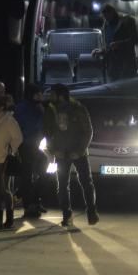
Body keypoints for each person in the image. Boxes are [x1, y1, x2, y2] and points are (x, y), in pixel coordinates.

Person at [44, 84, 98, 228]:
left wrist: (79, 151)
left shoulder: (78, 108)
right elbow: (47, 132)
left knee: (86, 182)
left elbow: (88, 131)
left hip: (78, 153)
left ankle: (91, 211)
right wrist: (53, 150)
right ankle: (67, 215)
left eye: (52, 94)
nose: (50, 97)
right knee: (62, 185)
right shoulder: (51, 109)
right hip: (61, 153)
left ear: (60, 95)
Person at [0, 95, 23, 230]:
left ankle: (9, 218)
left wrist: (10, 150)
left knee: (5, 189)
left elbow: (18, 137)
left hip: (4, 160)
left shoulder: (9, 120)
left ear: (1, 107)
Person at [14, 84, 47, 218]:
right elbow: (25, 125)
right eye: (38, 94)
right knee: (27, 175)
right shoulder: (23, 108)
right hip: (26, 145)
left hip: (35, 144)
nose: (41, 96)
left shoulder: (39, 107)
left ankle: (33, 199)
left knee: (43, 168)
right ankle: (29, 205)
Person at [94, 4, 138, 81]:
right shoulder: (105, 24)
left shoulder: (128, 21)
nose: (106, 19)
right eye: (104, 17)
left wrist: (119, 44)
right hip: (112, 68)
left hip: (126, 66)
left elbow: (135, 39)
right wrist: (102, 51)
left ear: (113, 12)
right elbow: (109, 46)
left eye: (107, 16)